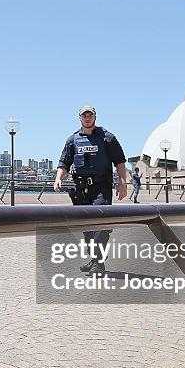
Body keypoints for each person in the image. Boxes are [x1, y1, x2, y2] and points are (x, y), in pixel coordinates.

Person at [53, 105, 129, 276]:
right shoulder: (73, 140)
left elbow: (120, 162)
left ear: (95, 117)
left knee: (100, 223)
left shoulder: (107, 138)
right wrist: (58, 178)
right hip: (81, 189)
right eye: (84, 115)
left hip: (101, 186)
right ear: (79, 118)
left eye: (90, 115)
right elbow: (64, 162)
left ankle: (98, 263)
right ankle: (95, 259)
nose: (87, 118)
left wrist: (122, 183)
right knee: (86, 226)